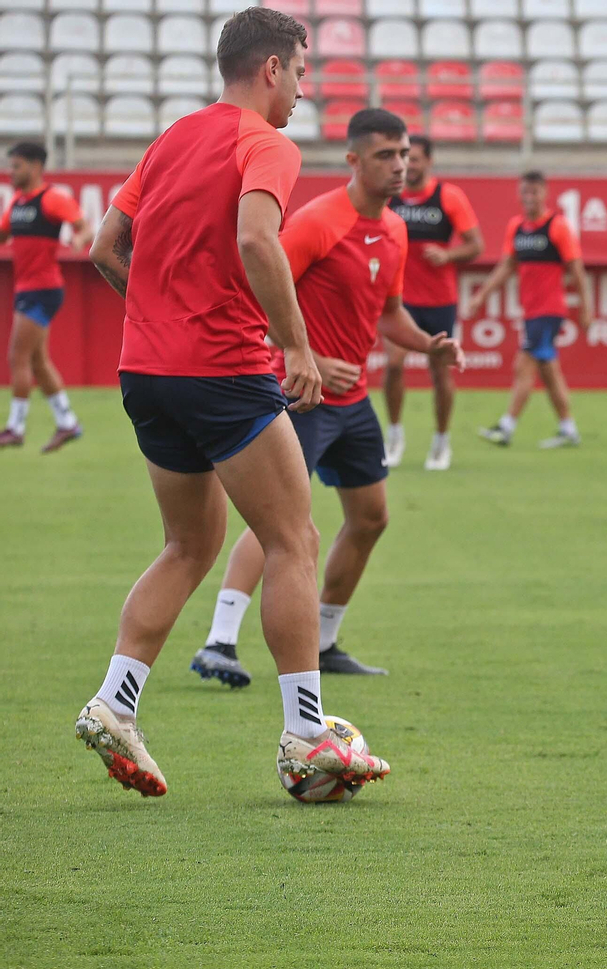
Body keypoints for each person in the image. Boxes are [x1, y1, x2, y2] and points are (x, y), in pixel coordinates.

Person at [76, 7, 388, 797]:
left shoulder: (172, 137)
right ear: (271, 68)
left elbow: (105, 248)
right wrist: (297, 346)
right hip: (223, 369)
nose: (303, 92)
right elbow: (256, 238)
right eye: (301, 73)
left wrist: (159, 316)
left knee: (189, 544)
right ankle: (308, 734)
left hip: (146, 372)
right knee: (293, 539)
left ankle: (115, 702)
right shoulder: (266, 144)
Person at [191, 109, 463, 688]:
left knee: (370, 518)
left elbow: (388, 312)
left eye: (404, 154)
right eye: (386, 155)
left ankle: (326, 640)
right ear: (353, 160)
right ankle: (219, 642)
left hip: (353, 402)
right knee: (279, 522)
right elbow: (255, 293)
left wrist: (427, 345)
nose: (400, 165)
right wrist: (306, 354)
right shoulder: (318, 221)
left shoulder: (395, 230)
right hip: (300, 397)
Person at [469, 171, 593, 449]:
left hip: (549, 311)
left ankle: (506, 427)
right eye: (525, 192)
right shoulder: (516, 227)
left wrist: (586, 309)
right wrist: (481, 296)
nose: (529, 198)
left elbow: (577, 270)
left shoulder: (557, 226)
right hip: (530, 311)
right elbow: (506, 266)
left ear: (544, 194)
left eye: (534, 192)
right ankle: (568, 428)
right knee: (549, 372)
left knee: (523, 365)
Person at [384, 134, 483, 471]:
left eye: (414, 159)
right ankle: (394, 435)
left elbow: (476, 245)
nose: (408, 165)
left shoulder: (448, 196)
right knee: (393, 364)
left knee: (440, 373)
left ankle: (441, 442)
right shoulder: (390, 196)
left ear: (429, 161)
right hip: (399, 300)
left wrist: (447, 255)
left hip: (440, 301)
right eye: (404, 158)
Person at [0, 141, 93, 452]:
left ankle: (15, 428)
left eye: (17, 166)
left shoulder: (52, 198)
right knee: (37, 361)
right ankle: (67, 422)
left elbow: (85, 227)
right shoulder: (17, 203)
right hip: (27, 289)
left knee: (17, 356)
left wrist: (79, 239)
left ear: (36, 166)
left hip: (42, 289)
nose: (11, 172)